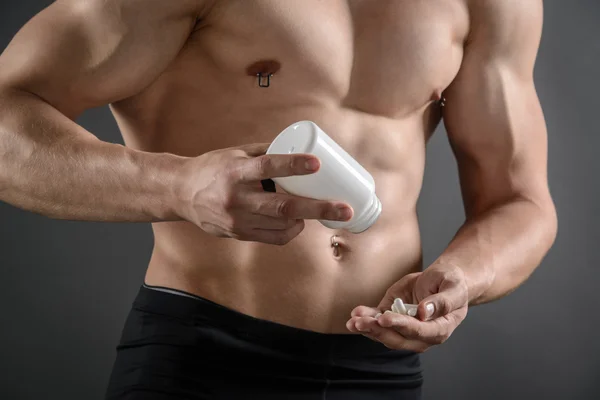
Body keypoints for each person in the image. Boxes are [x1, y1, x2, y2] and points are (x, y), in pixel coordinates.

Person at [0, 0, 557, 399]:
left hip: (378, 369)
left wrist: (464, 278)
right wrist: (178, 187)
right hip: (204, 355)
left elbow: (520, 201)